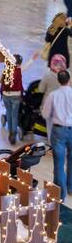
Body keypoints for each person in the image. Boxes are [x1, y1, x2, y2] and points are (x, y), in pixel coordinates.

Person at [42, 70, 72, 202]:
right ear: (69, 80)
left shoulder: (53, 95)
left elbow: (45, 114)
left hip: (58, 131)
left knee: (59, 163)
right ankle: (71, 187)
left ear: (58, 80)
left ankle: (61, 195)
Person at [0, 54, 24, 144]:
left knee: (9, 113)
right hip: (16, 96)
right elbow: (26, 66)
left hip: (6, 95)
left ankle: (10, 132)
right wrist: (32, 59)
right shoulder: (19, 71)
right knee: (14, 115)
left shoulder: (6, 70)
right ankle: (14, 132)